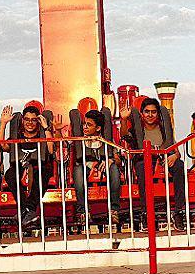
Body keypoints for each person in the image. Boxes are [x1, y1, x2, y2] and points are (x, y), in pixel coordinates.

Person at [121, 96, 187, 229]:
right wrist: (124, 119)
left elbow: (175, 149)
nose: (150, 115)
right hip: (145, 159)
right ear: (142, 113)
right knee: (142, 168)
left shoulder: (164, 129)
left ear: (158, 113)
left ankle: (178, 212)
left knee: (179, 166)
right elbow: (124, 135)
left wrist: (175, 156)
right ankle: (146, 213)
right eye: (147, 111)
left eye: (153, 112)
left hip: (164, 158)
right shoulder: (136, 129)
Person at [1, 103, 52, 227]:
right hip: (20, 167)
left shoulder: (43, 134)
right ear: (22, 120)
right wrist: (3, 124)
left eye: (34, 120)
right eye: (27, 119)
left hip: (38, 167)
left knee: (42, 173)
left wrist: (46, 128)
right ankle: (27, 210)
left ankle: (26, 210)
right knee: (10, 174)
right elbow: (3, 146)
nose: (30, 123)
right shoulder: (17, 136)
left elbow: (50, 150)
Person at [72, 109, 121, 226]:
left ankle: (114, 210)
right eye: (84, 124)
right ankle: (83, 211)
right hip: (85, 167)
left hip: (104, 167)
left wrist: (111, 159)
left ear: (98, 128)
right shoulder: (79, 140)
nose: (85, 127)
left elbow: (118, 159)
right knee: (78, 171)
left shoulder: (108, 141)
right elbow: (63, 145)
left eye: (89, 125)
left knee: (114, 169)